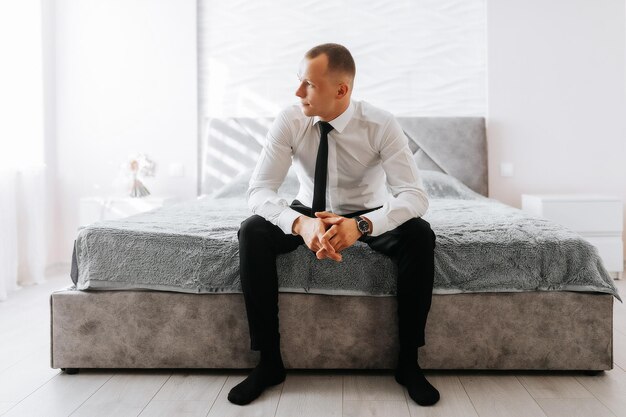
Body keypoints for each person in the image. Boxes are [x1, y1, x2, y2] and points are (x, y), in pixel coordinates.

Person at [228, 43, 439, 407]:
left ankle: (408, 363)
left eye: (308, 84)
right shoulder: (290, 120)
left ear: (341, 90)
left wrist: (362, 226)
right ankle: (269, 362)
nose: (298, 93)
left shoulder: (381, 123)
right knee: (252, 231)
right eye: (299, 82)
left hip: (368, 212)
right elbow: (260, 189)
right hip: (307, 208)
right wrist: (300, 225)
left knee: (420, 235)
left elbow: (414, 195)